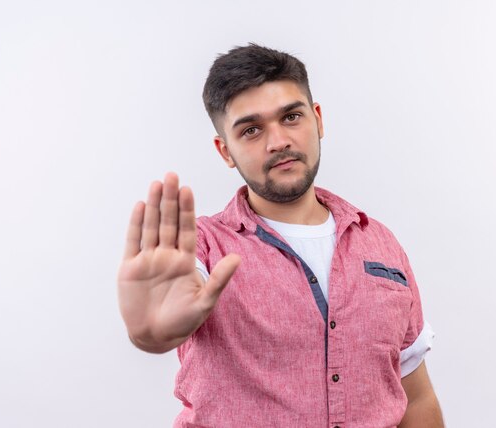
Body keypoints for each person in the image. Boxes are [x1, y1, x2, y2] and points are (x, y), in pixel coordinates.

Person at [118, 44, 444, 428]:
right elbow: (164, 317)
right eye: (251, 129)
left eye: (291, 117)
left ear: (317, 119)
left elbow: (417, 398)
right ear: (226, 151)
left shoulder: (381, 243)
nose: (278, 142)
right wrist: (149, 333)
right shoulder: (203, 247)